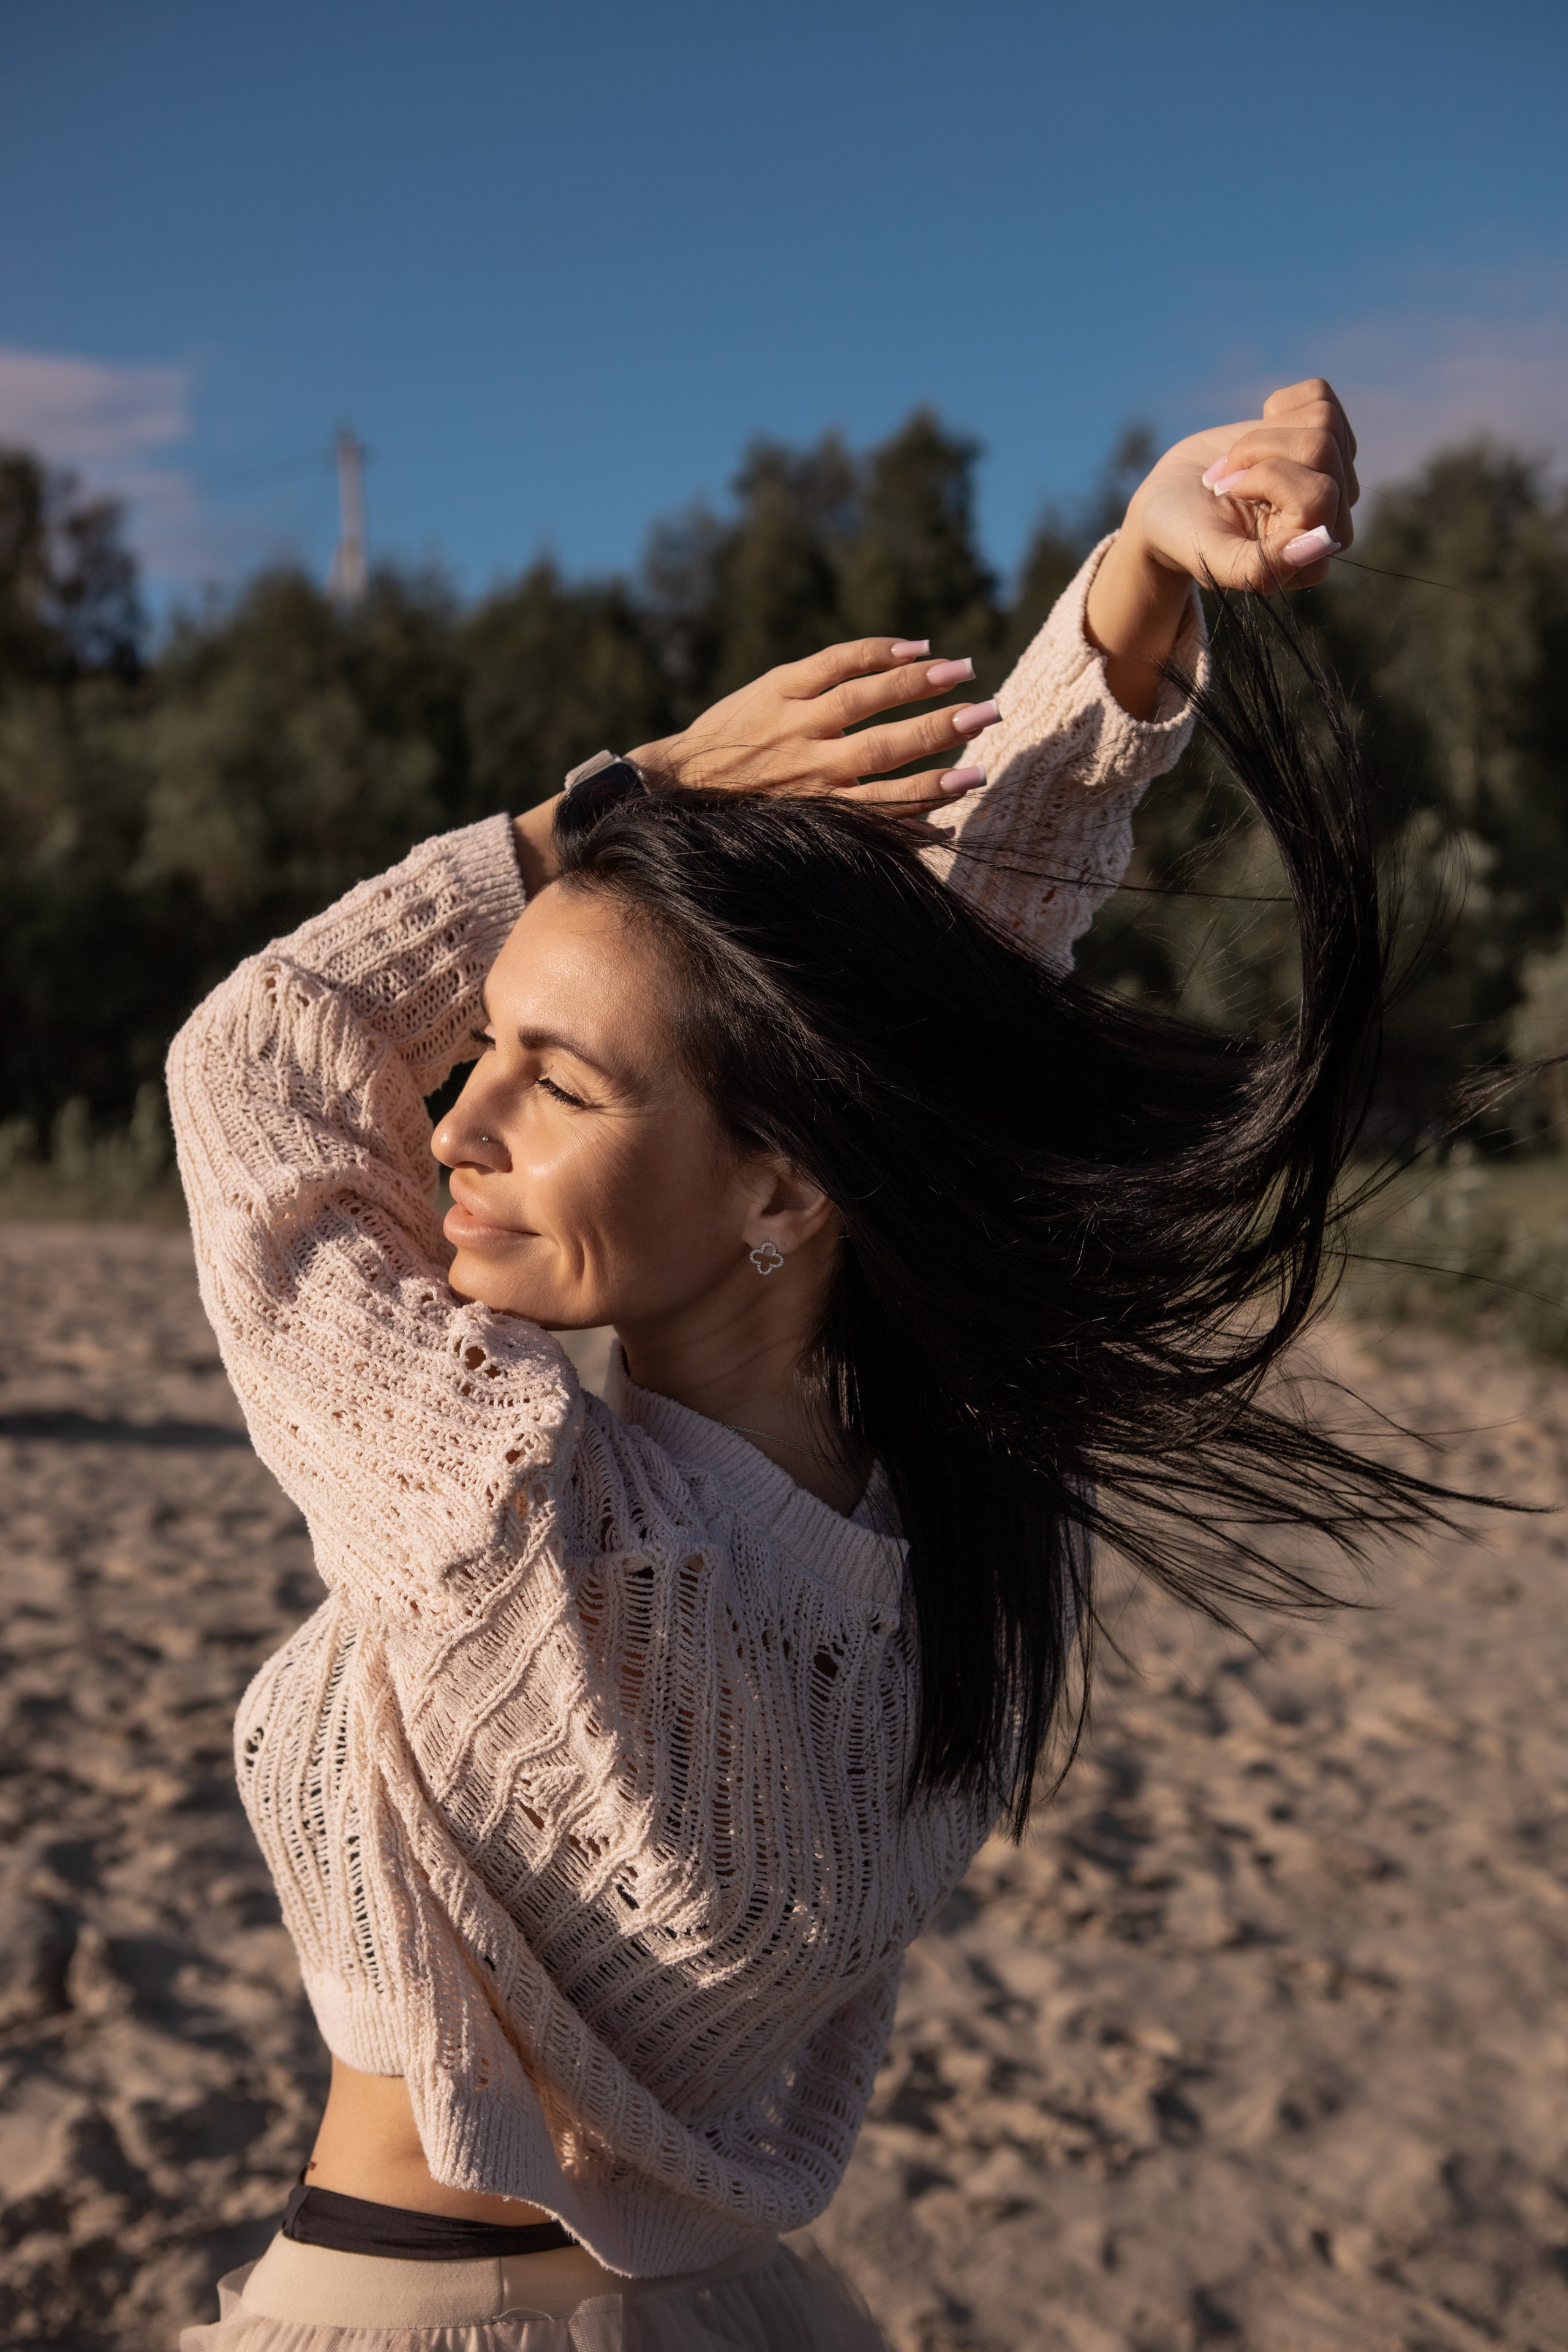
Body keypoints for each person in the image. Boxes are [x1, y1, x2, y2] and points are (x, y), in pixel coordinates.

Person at [173, 381, 1419, 2349]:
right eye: (477, 1050)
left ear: (780, 1191)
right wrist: (1139, 597)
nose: (454, 1124)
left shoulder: (510, 1508)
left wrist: (612, 800)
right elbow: (952, 1006)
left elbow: (261, 1054)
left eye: (550, 1079)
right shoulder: (975, 1535)